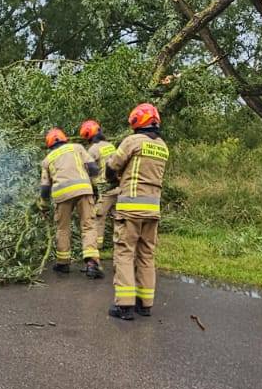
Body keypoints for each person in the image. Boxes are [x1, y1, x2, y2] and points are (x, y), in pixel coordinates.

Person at [105, 103, 169, 320]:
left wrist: (112, 178)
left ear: (136, 121)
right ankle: (145, 304)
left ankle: (124, 306)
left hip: (131, 209)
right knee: (147, 255)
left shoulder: (132, 141)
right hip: (152, 209)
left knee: (124, 253)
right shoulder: (162, 146)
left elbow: (112, 166)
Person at [39, 128, 98, 274]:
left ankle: (63, 263)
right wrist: (94, 187)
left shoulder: (47, 160)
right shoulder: (77, 148)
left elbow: (45, 187)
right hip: (83, 190)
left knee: (62, 228)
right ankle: (91, 264)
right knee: (88, 226)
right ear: (65, 139)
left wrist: (44, 205)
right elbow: (93, 168)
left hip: (62, 194)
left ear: (50, 145)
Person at [78, 119, 117, 279]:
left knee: (96, 219)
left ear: (88, 136)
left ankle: (96, 252)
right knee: (118, 218)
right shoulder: (110, 145)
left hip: (103, 188)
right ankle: (120, 250)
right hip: (117, 187)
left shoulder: (93, 150)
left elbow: (89, 170)